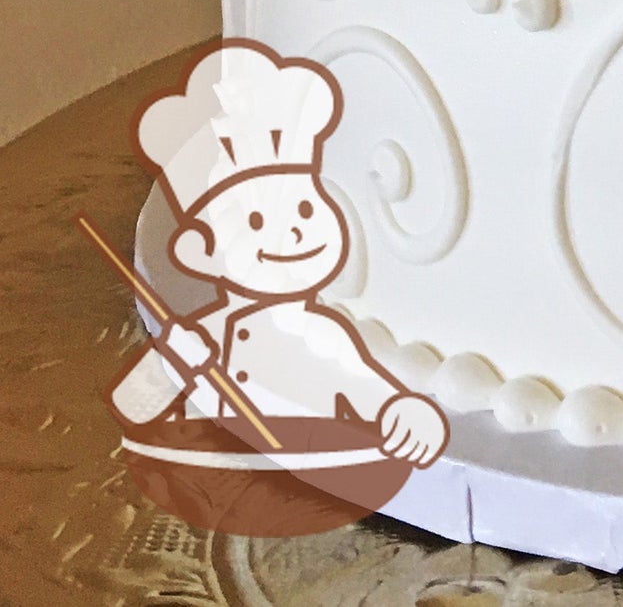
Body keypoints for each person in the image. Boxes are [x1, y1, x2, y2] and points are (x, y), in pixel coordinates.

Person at [110, 39, 447, 466]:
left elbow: (364, 394)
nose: (295, 229)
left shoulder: (331, 332)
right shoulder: (218, 323)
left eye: (307, 207)